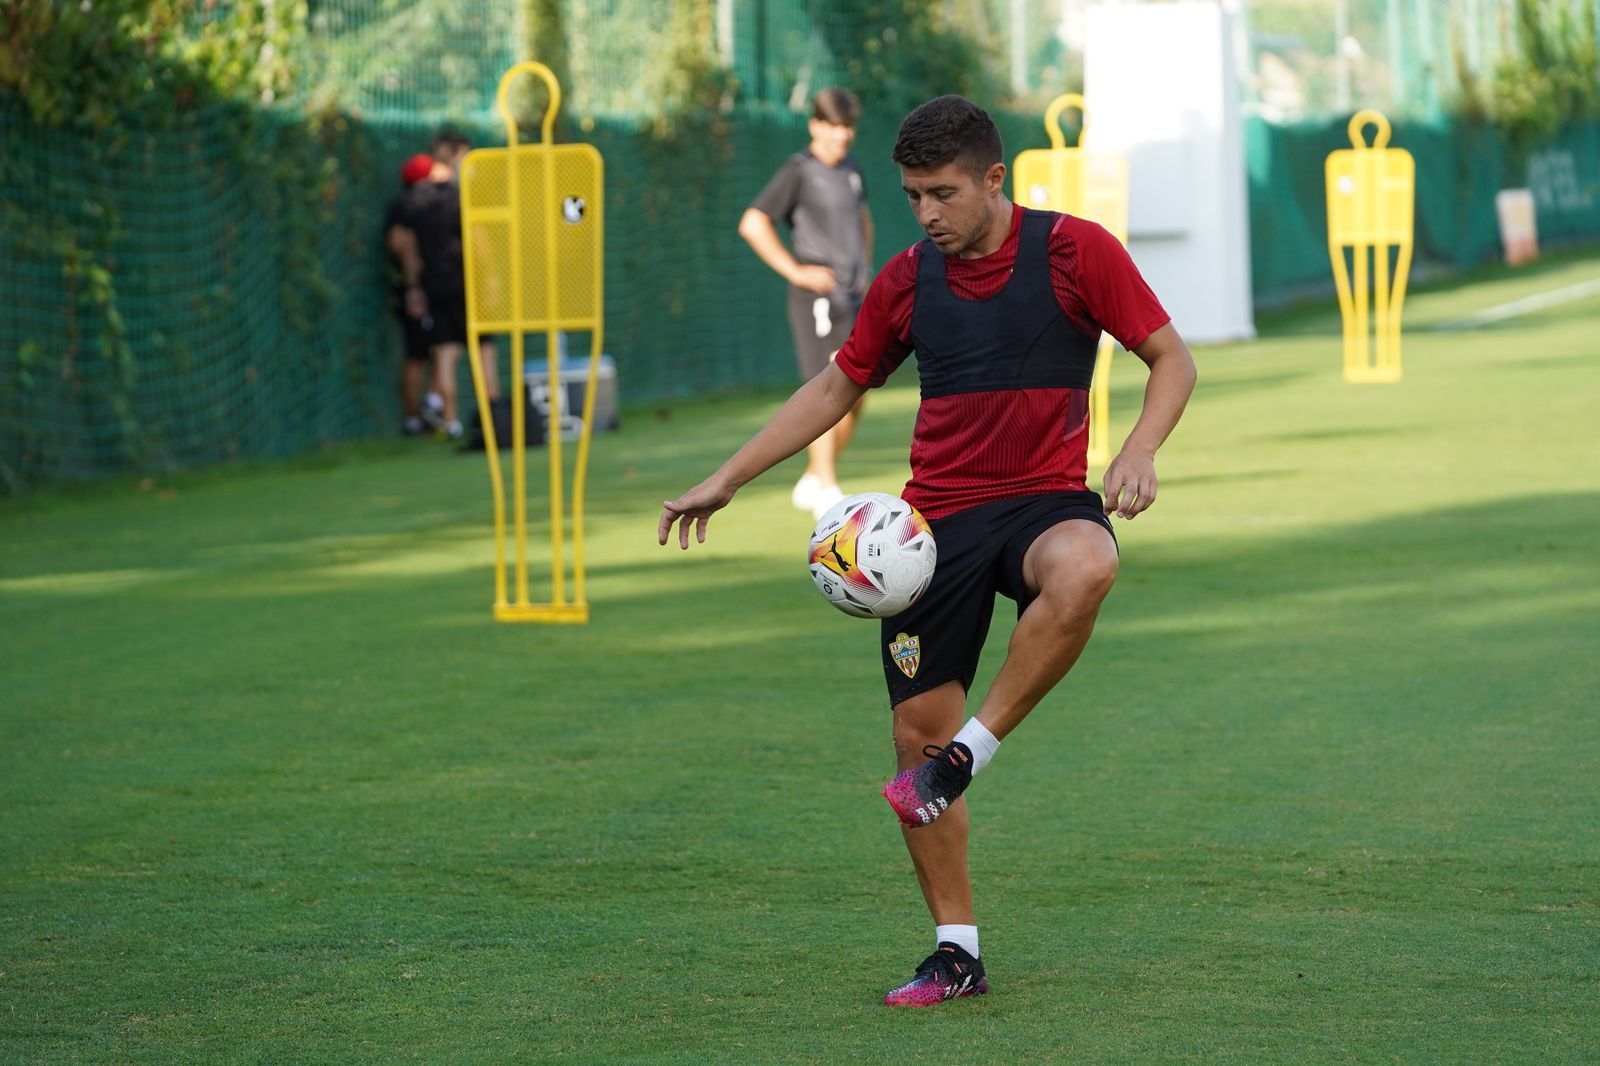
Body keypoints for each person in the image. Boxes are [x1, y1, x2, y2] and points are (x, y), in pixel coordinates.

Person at [659, 96, 1196, 1006]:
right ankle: (956, 952)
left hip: (1046, 500)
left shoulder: (1076, 250)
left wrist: (1138, 449)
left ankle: (969, 759)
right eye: (912, 196)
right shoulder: (909, 277)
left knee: (1088, 564)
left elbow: (1170, 358)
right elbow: (836, 385)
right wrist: (730, 476)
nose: (927, 214)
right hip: (933, 528)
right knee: (915, 736)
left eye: (943, 193)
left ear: (995, 178)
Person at [738, 87, 874, 519]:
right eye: (834, 125)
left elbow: (862, 218)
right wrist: (797, 272)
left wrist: (865, 269)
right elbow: (753, 222)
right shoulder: (798, 170)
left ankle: (815, 475)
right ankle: (828, 489)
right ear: (815, 126)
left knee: (857, 392)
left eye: (848, 126)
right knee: (831, 386)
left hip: (853, 298)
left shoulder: (852, 170)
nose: (842, 135)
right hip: (816, 299)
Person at [392, 129, 501, 439]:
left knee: (444, 351)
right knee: (483, 349)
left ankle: (451, 421)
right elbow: (479, 239)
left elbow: (408, 247)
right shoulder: (463, 194)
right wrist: (491, 277)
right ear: (455, 153)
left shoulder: (416, 199)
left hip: (433, 285)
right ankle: (493, 417)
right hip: (467, 283)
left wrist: (414, 287)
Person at [385, 152, 443, 436]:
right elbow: (400, 242)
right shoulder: (414, 206)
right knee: (420, 353)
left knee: (432, 350)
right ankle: (416, 417)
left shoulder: (406, 203)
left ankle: (427, 410)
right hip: (419, 289)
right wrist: (414, 286)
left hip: (426, 287)